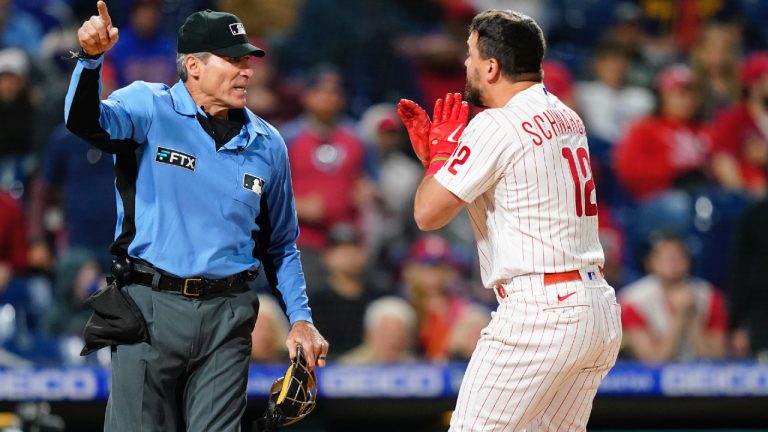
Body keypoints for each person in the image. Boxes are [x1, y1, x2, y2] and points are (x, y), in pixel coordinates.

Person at [66, 3, 328, 430]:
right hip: (150, 306)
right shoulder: (148, 106)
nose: (247, 71)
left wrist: (301, 318)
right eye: (234, 60)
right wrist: (91, 61)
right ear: (194, 66)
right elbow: (85, 123)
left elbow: (280, 245)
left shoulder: (268, 144)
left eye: (248, 61)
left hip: (227, 316)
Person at [397, 10, 621, 431]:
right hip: (595, 309)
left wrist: (442, 158)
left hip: (540, 312)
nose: (465, 65)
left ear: (492, 66)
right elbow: (511, 190)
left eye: (470, 55)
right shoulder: (566, 115)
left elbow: (426, 214)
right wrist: (440, 165)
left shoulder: (496, 124)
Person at [619, 232, 727, 362]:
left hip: (699, 376)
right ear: (649, 262)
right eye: (665, 258)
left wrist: (692, 320)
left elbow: (715, 357)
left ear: (688, 261)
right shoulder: (632, 300)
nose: (672, 263)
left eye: (677, 257)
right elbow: (654, 360)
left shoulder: (710, 296)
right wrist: (680, 316)